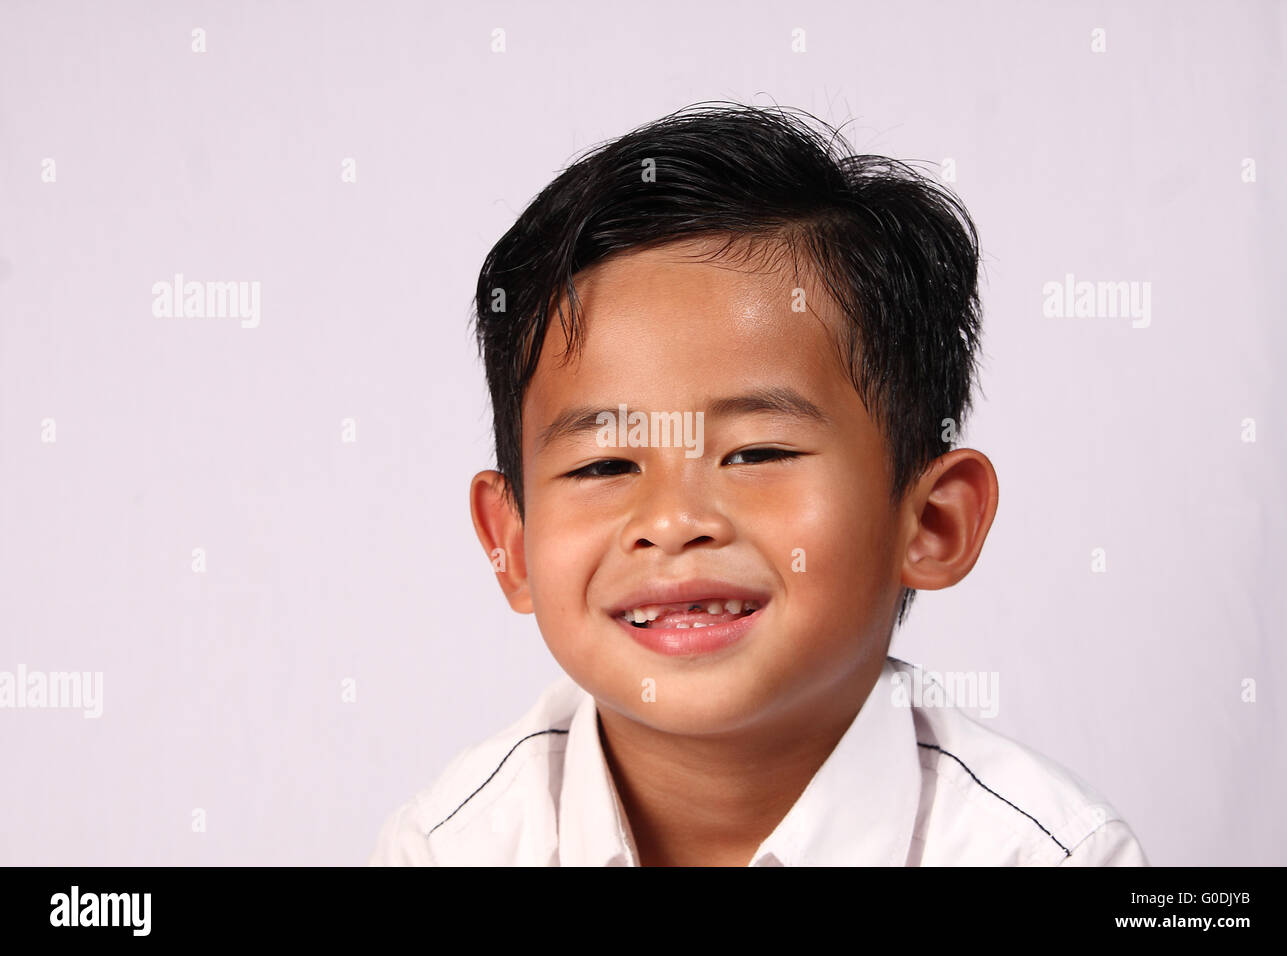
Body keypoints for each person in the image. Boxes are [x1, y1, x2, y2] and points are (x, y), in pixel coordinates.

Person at [368, 102, 1149, 866]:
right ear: (513, 546)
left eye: (756, 454)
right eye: (604, 465)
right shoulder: (449, 847)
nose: (673, 522)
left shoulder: (1049, 854)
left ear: (932, 522)